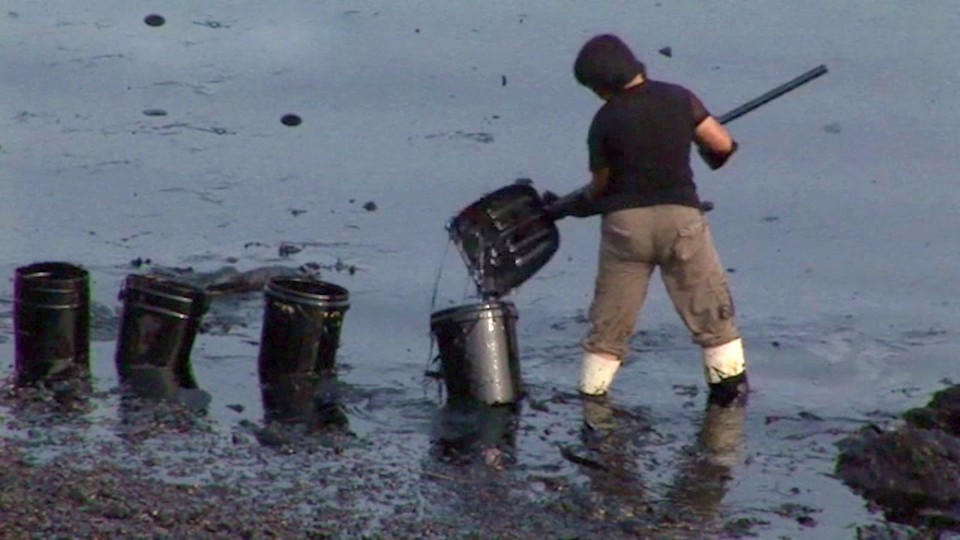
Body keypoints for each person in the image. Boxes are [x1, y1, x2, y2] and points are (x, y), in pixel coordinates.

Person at [544, 34, 747, 406]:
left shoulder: (605, 119)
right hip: (681, 223)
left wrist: (574, 206)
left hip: (626, 230)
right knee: (713, 319)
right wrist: (708, 151)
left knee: (609, 326)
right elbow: (721, 145)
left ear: (602, 84)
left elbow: (601, 188)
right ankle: (728, 405)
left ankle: (592, 403)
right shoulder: (680, 98)